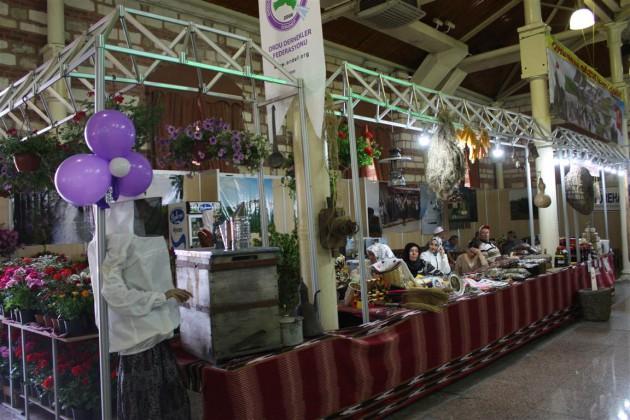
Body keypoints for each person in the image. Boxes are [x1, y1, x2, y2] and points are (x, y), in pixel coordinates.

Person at [87, 199, 192, 420]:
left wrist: (165, 295)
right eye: (137, 208)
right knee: (149, 409)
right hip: (138, 347)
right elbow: (116, 295)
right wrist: (162, 296)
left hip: (152, 341)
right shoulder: (112, 246)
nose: (143, 214)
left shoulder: (117, 244)